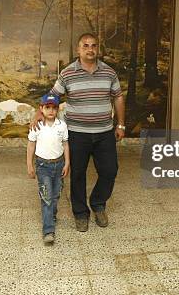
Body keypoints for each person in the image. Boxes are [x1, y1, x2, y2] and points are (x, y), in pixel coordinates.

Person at [31, 33, 126, 232]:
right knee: (78, 174)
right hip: (76, 133)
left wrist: (121, 125)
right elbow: (52, 95)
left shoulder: (109, 73)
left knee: (110, 171)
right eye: (85, 46)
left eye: (93, 46)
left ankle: (98, 203)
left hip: (104, 132)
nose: (90, 49)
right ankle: (80, 213)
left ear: (97, 48)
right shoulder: (67, 74)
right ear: (78, 49)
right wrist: (36, 114)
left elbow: (118, 97)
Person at [26, 93, 70, 244]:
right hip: (43, 166)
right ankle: (48, 230)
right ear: (41, 109)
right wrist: (29, 165)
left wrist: (67, 163)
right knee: (47, 198)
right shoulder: (36, 126)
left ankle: (51, 215)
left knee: (56, 195)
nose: (51, 110)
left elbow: (65, 144)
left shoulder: (62, 126)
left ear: (57, 109)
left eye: (54, 108)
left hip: (59, 165)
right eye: (47, 107)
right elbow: (31, 145)